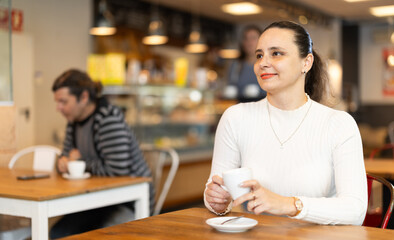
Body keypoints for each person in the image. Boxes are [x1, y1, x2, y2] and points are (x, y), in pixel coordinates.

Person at [204, 21, 367, 225]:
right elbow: (216, 193)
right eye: (259, 55)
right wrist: (217, 202)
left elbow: (356, 210)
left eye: (276, 53)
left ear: (306, 63)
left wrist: (287, 204)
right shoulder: (235, 117)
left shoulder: (339, 124)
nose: (263, 62)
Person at [50, 69, 155, 238]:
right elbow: (66, 156)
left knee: (97, 235)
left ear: (84, 97)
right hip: (95, 199)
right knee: (60, 232)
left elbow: (117, 169)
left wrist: (78, 163)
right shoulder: (73, 121)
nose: (59, 108)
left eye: (63, 102)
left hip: (128, 201)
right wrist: (62, 162)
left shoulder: (108, 118)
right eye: (57, 102)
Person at [226, 25, 267, 102]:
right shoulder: (236, 65)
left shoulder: (267, 65)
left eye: (253, 38)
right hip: (241, 108)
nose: (249, 42)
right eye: (246, 38)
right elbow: (231, 88)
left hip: (264, 108)